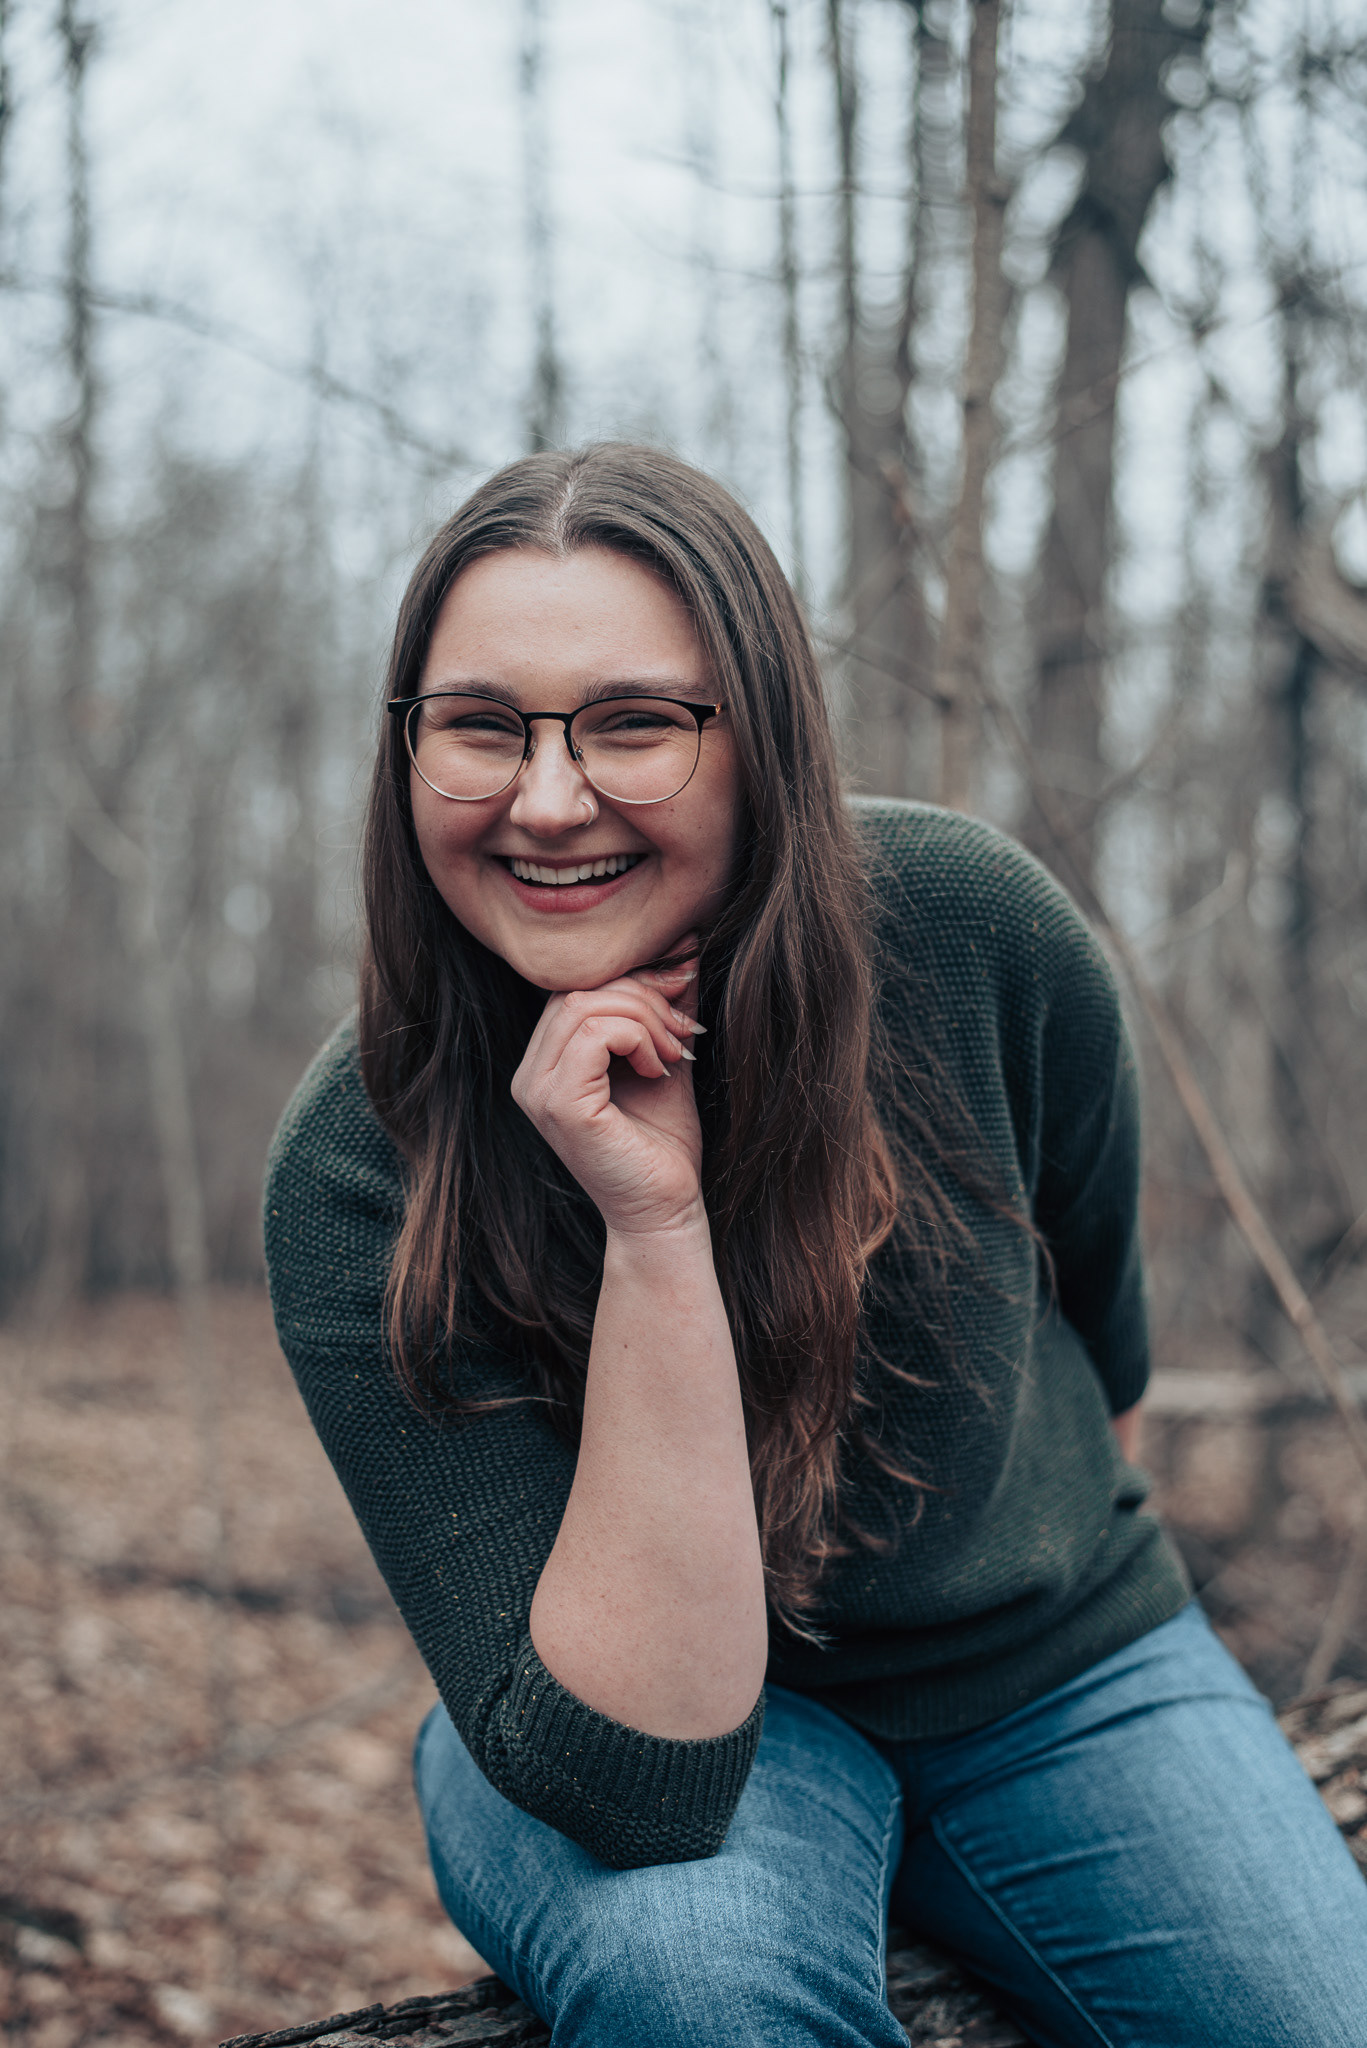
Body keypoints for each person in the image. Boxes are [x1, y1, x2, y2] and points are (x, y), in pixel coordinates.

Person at [264, 444, 1367, 2048]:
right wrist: (652, 1225)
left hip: (1063, 1680)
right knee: (702, 2001)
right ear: (407, 750)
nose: (549, 797)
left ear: (761, 739)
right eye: (481, 727)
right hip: (657, 1730)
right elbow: (635, 1774)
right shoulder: (362, 1162)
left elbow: (1100, 1336)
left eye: (636, 721)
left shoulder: (971, 930)